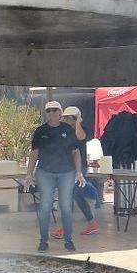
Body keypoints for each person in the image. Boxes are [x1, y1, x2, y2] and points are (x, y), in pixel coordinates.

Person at [26, 100, 86, 253]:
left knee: (66, 207)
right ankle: (43, 241)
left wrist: (79, 172)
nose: (51, 113)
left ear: (60, 113)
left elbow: (76, 152)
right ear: (46, 113)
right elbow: (34, 154)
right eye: (49, 111)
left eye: (54, 110)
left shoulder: (67, 129)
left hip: (66, 172)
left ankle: (68, 241)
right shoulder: (40, 131)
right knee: (45, 207)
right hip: (45, 172)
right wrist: (29, 174)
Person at [49, 106, 99, 240]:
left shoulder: (83, 129)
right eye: (65, 117)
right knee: (76, 195)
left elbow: (81, 137)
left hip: (79, 168)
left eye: (69, 118)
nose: (65, 120)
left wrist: (77, 122)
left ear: (76, 118)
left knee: (69, 195)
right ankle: (92, 223)